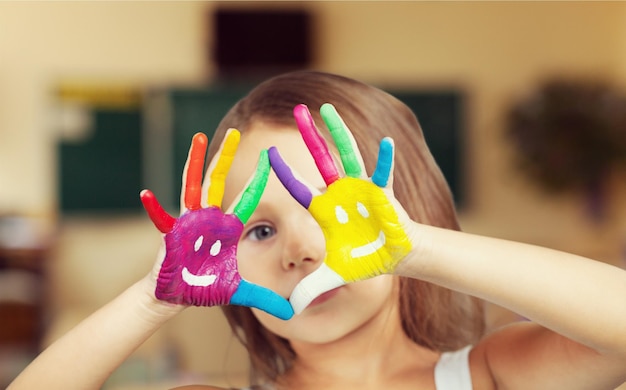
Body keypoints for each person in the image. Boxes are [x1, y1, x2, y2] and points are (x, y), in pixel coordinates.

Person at [9, 71, 626, 390]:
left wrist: (421, 248)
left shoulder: (489, 375)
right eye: (258, 231)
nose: (301, 252)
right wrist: (152, 298)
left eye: (330, 211)